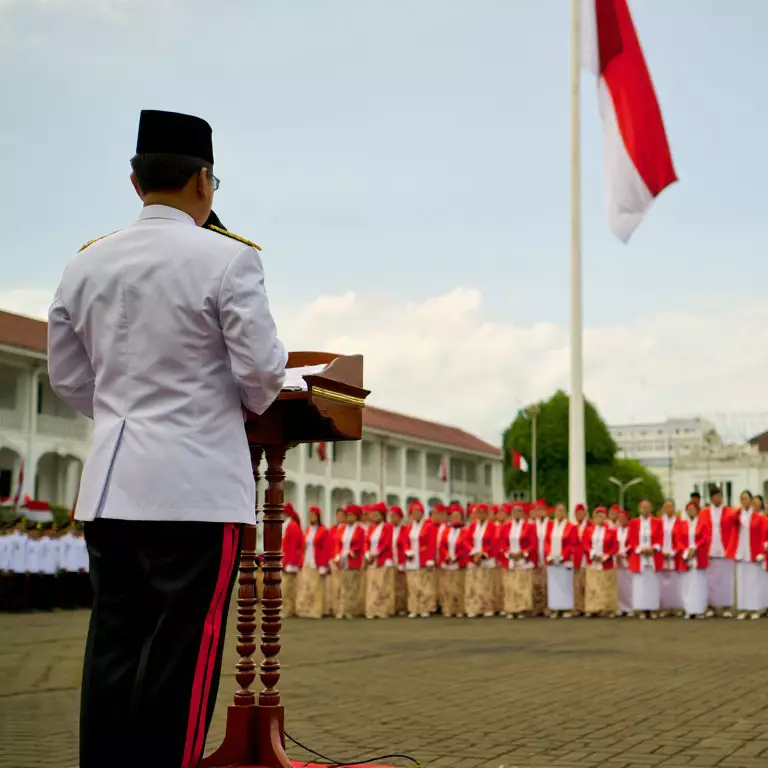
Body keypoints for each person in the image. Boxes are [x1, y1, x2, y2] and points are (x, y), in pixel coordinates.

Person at [47, 109, 287, 768]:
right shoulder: (228, 258)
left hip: (112, 485)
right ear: (206, 182)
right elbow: (263, 374)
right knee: (181, 660)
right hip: (196, 490)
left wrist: (131, 413)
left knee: (114, 651)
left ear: (134, 182)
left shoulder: (85, 265)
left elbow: (69, 380)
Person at [699, 485, 737, 618]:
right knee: (710, 579)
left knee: (726, 579)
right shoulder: (704, 513)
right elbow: (701, 532)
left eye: (719, 496)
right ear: (711, 498)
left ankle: (727, 606)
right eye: (714, 496)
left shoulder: (730, 511)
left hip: (725, 548)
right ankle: (712, 606)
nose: (717, 498)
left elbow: (734, 528)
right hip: (710, 549)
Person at [728, 491, 766, 620]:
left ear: (751, 500)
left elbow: (762, 535)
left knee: (754, 582)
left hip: (753, 553)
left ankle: (754, 608)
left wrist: (761, 552)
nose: (744, 501)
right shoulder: (738, 515)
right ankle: (743, 609)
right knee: (742, 582)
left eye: (746, 498)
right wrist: (738, 511)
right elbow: (730, 521)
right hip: (741, 552)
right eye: (742, 499)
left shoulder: (758, 517)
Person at [399, 500, 437, 618]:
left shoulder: (429, 526)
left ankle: (425, 607)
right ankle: (414, 608)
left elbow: (432, 543)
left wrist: (430, 558)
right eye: (414, 512)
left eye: (418, 511)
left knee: (424, 585)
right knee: (413, 585)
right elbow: (404, 541)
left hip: (423, 559)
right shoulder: (408, 527)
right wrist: (407, 550)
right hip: (411, 559)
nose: (416, 514)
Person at [674, 501, 711, 619]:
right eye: (688, 509)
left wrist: (694, 548)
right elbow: (678, 539)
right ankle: (689, 610)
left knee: (698, 584)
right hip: (686, 557)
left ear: (697, 510)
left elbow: (705, 538)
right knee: (686, 584)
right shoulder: (682, 524)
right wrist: (686, 551)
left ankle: (699, 609)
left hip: (698, 557)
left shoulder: (703, 524)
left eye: (693, 509)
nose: (691, 511)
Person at [498, 502, 536, 619]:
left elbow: (533, 543)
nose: (517, 513)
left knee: (522, 585)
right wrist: (508, 553)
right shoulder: (506, 526)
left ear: (523, 513)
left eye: (519, 511)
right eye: (515, 511)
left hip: (523, 559)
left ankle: (522, 609)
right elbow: (502, 542)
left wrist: (523, 553)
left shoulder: (529, 526)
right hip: (511, 558)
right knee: (510, 586)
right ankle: (511, 608)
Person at [627, 500, 663, 619]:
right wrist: (640, 550)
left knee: (652, 584)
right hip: (639, 557)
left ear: (651, 509)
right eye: (643, 507)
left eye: (647, 507)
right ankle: (641, 609)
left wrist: (653, 549)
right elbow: (631, 540)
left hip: (653, 556)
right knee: (640, 584)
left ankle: (652, 609)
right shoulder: (633, 522)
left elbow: (660, 538)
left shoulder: (657, 522)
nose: (645, 510)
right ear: (639, 509)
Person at [464, 502, 498, 618]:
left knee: (486, 585)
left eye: (484, 513)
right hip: (473, 557)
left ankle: (487, 607)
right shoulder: (473, 526)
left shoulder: (492, 526)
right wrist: (474, 552)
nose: (481, 515)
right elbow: (466, 540)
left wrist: (482, 554)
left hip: (486, 558)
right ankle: (473, 607)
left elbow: (493, 542)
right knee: (473, 585)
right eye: (479, 513)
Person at [583, 507, 618, 617]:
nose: (599, 519)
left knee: (606, 586)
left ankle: (607, 608)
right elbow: (585, 543)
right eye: (597, 516)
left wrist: (606, 555)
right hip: (593, 561)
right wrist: (592, 554)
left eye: (602, 516)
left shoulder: (611, 531)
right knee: (593, 586)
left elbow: (615, 546)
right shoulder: (589, 530)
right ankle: (593, 608)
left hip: (606, 562)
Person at [296, 506, 330, 619]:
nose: (311, 517)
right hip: (307, 560)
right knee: (306, 586)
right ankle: (305, 609)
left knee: (316, 587)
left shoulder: (323, 530)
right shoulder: (308, 530)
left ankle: (316, 610)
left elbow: (326, 549)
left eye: (313, 515)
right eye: (310, 515)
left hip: (317, 562)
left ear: (318, 516)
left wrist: (323, 565)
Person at [334, 504, 366, 619]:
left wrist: (351, 552)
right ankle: (342, 608)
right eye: (347, 515)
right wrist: (338, 555)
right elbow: (338, 543)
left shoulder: (360, 529)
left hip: (353, 560)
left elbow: (360, 544)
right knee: (343, 586)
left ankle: (351, 610)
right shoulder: (342, 529)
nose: (349, 517)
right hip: (342, 560)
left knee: (353, 586)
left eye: (351, 515)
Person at [544, 503, 576, 619]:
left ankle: (566, 608)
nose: (560, 513)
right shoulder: (550, 525)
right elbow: (547, 542)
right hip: (552, 560)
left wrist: (562, 556)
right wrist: (549, 555)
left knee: (565, 585)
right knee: (554, 585)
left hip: (564, 560)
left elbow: (571, 544)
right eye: (558, 511)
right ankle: (555, 608)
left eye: (562, 511)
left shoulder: (571, 527)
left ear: (565, 512)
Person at [437, 503, 469, 618]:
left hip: (459, 561)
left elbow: (466, 546)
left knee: (459, 587)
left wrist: (456, 557)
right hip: (448, 561)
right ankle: (448, 608)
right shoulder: (447, 530)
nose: (455, 518)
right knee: (448, 587)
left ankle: (459, 608)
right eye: (453, 516)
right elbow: (442, 545)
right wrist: (447, 556)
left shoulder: (465, 530)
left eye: (457, 516)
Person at [364, 502, 395, 619]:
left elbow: (386, 543)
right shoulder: (371, 528)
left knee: (382, 585)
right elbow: (366, 542)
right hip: (372, 561)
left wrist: (375, 554)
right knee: (372, 585)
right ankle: (372, 609)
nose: (374, 516)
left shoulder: (387, 527)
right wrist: (367, 554)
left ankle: (383, 609)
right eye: (373, 513)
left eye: (377, 513)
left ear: (382, 515)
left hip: (383, 559)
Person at [659, 500, 682, 617]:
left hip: (674, 555)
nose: (668, 509)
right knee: (663, 583)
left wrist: (673, 552)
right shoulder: (659, 522)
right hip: (662, 554)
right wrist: (661, 551)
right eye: (666, 507)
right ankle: (665, 607)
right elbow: (657, 538)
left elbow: (680, 539)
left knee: (675, 582)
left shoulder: (679, 522)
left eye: (670, 506)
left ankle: (675, 607)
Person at [281, 503, 304, 618]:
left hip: (290, 561)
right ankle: (288, 608)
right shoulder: (288, 525)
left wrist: (287, 562)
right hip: (287, 560)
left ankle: (288, 608)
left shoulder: (292, 526)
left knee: (287, 587)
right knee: (288, 586)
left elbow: (293, 547)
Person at [572, 504, 592, 616]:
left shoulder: (590, 526)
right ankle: (578, 606)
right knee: (577, 583)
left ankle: (587, 606)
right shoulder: (573, 527)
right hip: (576, 558)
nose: (579, 515)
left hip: (587, 557)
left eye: (581, 513)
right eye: (577, 513)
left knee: (587, 583)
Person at [327, 507, 347, 617]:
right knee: (333, 585)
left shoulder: (347, 529)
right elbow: (329, 544)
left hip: (342, 559)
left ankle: (341, 608)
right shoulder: (333, 529)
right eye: (338, 515)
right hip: (332, 559)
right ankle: (333, 607)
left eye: (342, 515)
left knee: (342, 585)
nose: (339, 517)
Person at [389, 506, 408, 616]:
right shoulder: (388, 529)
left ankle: (401, 606)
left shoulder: (405, 529)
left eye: (395, 516)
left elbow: (405, 545)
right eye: (391, 516)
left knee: (401, 585)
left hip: (400, 559)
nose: (393, 519)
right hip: (391, 559)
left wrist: (402, 562)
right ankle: (392, 606)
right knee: (391, 584)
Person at [531, 500, 549, 616]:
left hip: (547, 556)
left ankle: (548, 606)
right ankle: (537, 607)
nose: (540, 512)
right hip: (535, 556)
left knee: (547, 583)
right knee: (536, 583)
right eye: (538, 509)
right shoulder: (532, 525)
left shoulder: (551, 524)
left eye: (542, 509)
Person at [6, 519, 28, 612]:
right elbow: (8, 553)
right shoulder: (11, 538)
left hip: (23, 567)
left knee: (22, 588)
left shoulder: (26, 537)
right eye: (21, 525)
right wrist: (8, 567)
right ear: (17, 526)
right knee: (14, 588)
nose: (23, 527)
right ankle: (12, 607)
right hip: (14, 567)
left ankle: (20, 606)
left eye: (24, 525)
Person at [614, 508, 632, 617]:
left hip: (627, 559)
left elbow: (632, 543)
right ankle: (620, 607)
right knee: (620, 585)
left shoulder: (630, 529)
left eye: (623, 517)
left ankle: (630, 607)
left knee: (629, 584)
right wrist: (616, 553)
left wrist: (624, 552)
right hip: (618, 559)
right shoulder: (615, 530)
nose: (621, 519)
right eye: (619, 517)